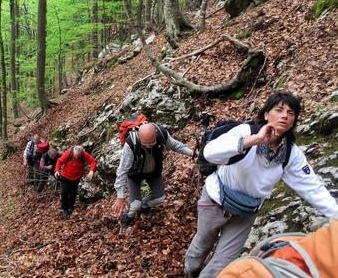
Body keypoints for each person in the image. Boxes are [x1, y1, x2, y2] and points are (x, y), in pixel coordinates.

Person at [184, 92, 338, 278]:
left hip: (245, 212)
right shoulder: (244, 132)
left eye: (290, 113)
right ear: (266, 114)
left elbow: (311, 187)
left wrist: (336, 214)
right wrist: (254, 140)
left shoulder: (291, 153)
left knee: (222, 264)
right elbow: (210, 153)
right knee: (200, 247)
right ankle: (189, 272)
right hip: (215, 201)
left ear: (294, 120)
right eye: (279, 110)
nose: (284, 116)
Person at [112, 122, 193, 225]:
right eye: (145, 143)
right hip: (135, 175)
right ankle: (128, 216)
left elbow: (176, 146)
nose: (149, 146)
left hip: (153, 172)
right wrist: (120, 196)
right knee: (135, 205)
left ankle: (144, 205)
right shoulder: (131, 143)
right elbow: (122, 170)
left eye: (152, 142)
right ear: (139, 137)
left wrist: (192, 153)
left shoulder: (161, 133)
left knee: (160, 199)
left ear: (155, 134)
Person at [54, 146, 97, 219]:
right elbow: (59, 161)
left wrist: (91, 171)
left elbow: (93, 161)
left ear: (81, 153)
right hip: (65, 177)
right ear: (73, 152)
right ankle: (65, 209)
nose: (76, 157)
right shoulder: (68, 153)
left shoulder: (84, 154)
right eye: (75, 156)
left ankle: (71, 206)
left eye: (78, 156)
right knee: (64, 192)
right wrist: (57, 170)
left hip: (76, 178)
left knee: (73, 193)